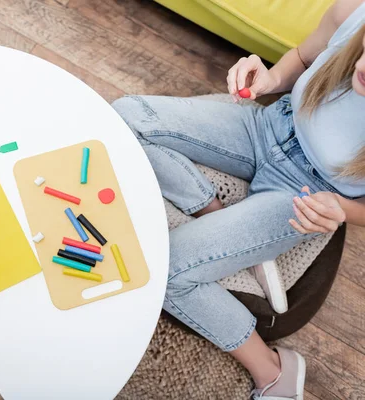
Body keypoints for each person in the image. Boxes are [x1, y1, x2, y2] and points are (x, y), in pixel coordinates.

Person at [112, 0, 365, 398]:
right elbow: (302, 56)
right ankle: (211, 209)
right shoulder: (352, 10)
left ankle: (274, 371)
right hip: (267, 124)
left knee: (172, 270)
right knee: (126, 115)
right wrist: (270, 78)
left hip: (303, 192)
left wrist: (341, 210)